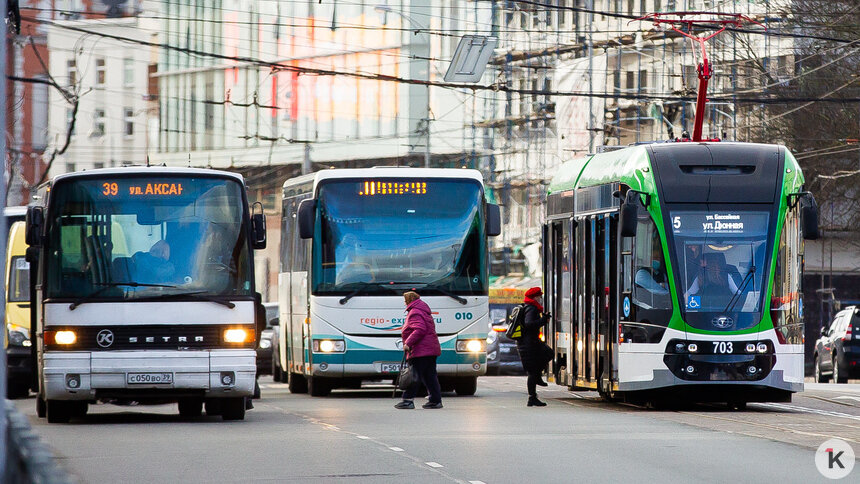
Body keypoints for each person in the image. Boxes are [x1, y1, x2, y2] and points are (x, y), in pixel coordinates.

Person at [394, 291, 443, 409]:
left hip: (421, 350)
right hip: (430, 349)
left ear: (410, 300)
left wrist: (408, 343)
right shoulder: (423, 311)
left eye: (405, 300)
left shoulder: (415, 312)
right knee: (430, 376)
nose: (405, 303)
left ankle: (408, 400)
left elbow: (419, 329)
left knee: (413, 375)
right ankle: (435, 400)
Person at [517, 287, 553, 407]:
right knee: (545, 357)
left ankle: (533, 396)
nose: (541, 299)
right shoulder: (531, 309)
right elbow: (529, 324)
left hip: (528, 343)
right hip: (529, 344)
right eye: (540, 296)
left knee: (534, 369)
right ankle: (533, 395)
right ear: (535, 297)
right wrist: (543, 320)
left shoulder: (528, 307)